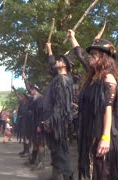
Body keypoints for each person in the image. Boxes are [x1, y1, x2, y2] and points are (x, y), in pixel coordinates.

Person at [68, 29, 118, 180]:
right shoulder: (93, 78)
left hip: (101, 132)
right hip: (90, 131)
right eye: (90, 55)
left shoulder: (108, 79)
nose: (90, 57)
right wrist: (73, 38)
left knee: (103, 172)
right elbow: (80, 55)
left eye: (94, 55)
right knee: (93, 172)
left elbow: (108, 110)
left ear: (104, 58)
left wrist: (105, 137)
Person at [43, 42, 74, 180]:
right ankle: (56, 176)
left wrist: (51, 121)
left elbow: (61, 105)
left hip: (58, 121)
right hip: (54, 120)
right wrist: (49, 49)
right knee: (56, 151)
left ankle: (68, 177)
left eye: (60, 61)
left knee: (61, 152)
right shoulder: (58, 77)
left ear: (65, 66)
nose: (57, 61)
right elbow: (51, 64)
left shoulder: (63, 79)